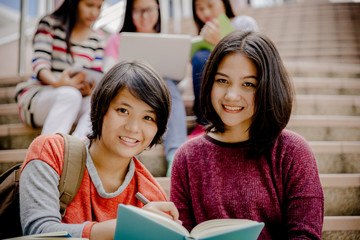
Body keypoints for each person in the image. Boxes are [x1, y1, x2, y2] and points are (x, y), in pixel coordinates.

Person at [170, 31, 324, 239]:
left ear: (268, 88)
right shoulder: (186, 157)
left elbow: (305, 235)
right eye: (222, 81)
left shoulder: (292, 151)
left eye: (248, 84)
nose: (231, 95)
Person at [20, 61, 180, 239]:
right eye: (123, 110)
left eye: (148, 117)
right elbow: (39, 233)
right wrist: (131, 225)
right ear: (100, 108)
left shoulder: (152, 195)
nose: (134, 127)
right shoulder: (52, 151)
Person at [103, 0, 187, 176]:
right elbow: (107, 75)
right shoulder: (117, 40)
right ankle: (130, 159)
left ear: (158, 10)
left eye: (149, 10)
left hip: (160, 97)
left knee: (170, 85)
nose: (145, 16)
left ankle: (175, 157)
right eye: (139, 11)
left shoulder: (168, 42)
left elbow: (184, 83)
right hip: (128, 95)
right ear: (129, 13)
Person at [15, 0, 105, 139]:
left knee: (97, 103)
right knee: (70, 94)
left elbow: (96, 72)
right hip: (39, 97)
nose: (94, 12)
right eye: (89, 5)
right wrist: (58, 82)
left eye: (99, 7)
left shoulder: (97, 38)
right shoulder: (50, 24)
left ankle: (78, 148)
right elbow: (40, 64)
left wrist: (89, 88)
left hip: (75, 100)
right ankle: (47, 153)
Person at [188, 0, 259, 138]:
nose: (206, 13)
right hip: (215, 87)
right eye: (200, 8)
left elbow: (255, 60)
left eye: (210, 5)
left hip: (241, 82)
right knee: (200, 57)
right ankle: (205, 122)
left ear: (224, 3)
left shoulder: (243, 23)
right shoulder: (203, 34)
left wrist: (219, 41)